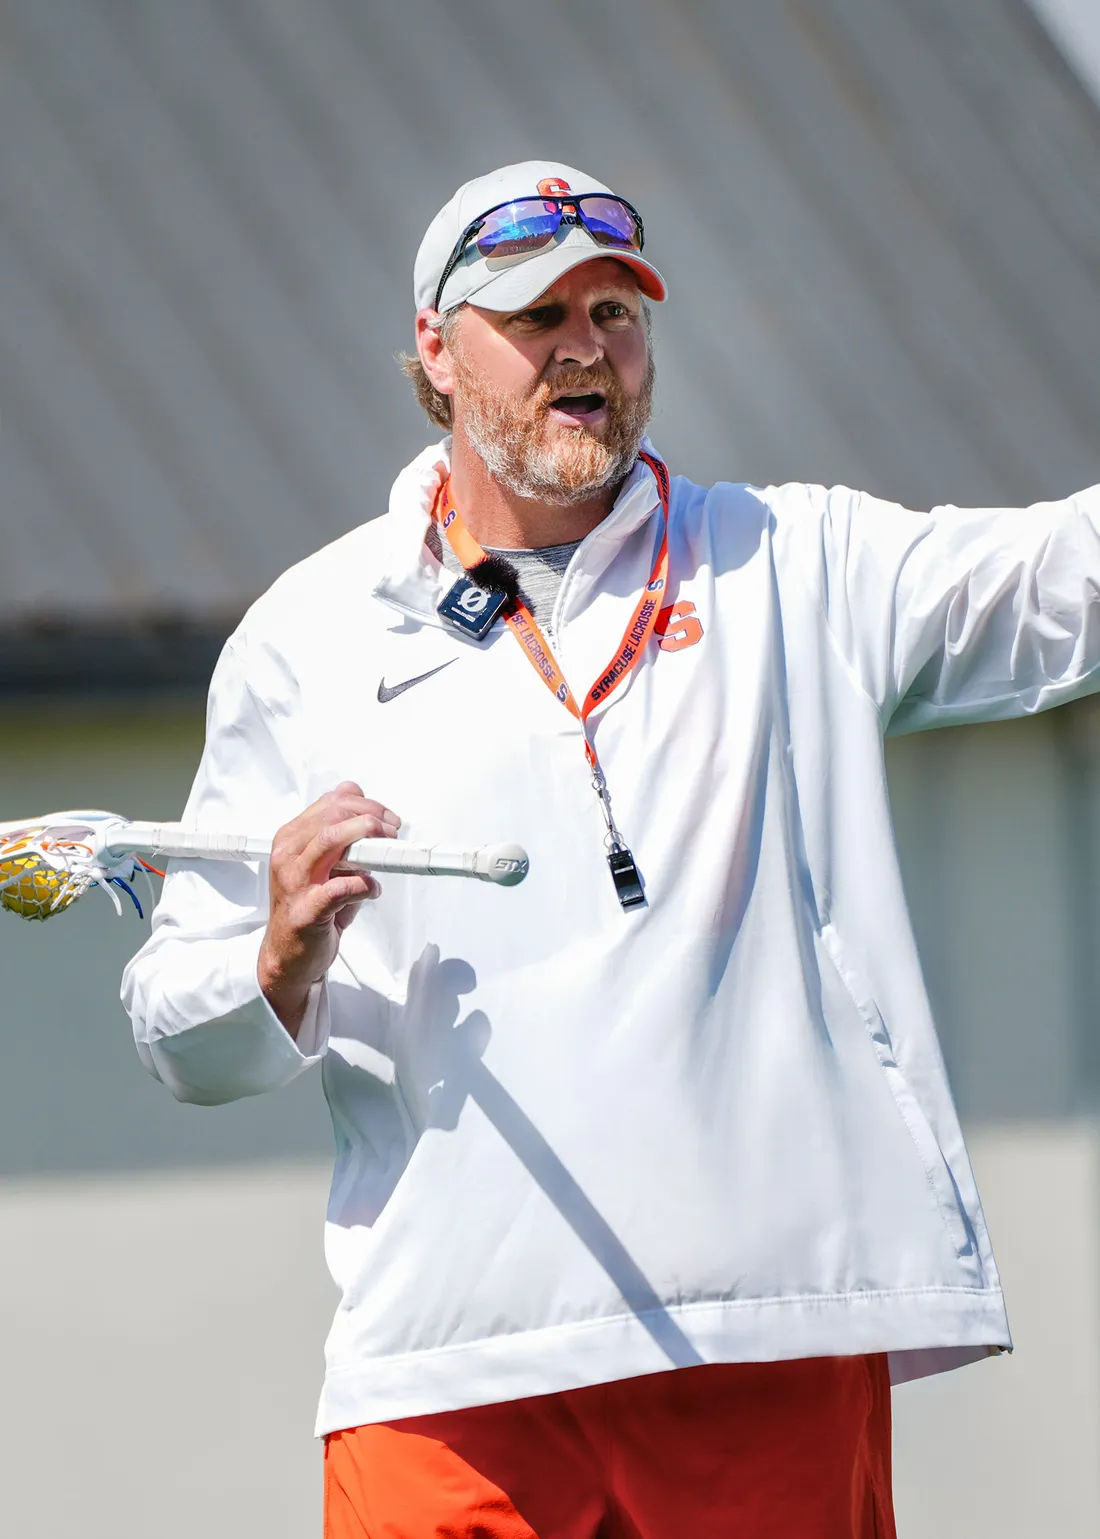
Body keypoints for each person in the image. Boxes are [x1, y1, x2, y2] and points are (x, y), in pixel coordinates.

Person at [122, 159, 1100, 1538]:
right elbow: (176, 1029)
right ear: (436, 349)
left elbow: (1067, 581)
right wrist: (277, 956)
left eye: (616, 312)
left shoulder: (789, 559)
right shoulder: (308, 632)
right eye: (539, 314)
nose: (586, 347)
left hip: (768, 1336)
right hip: (445, 1378)